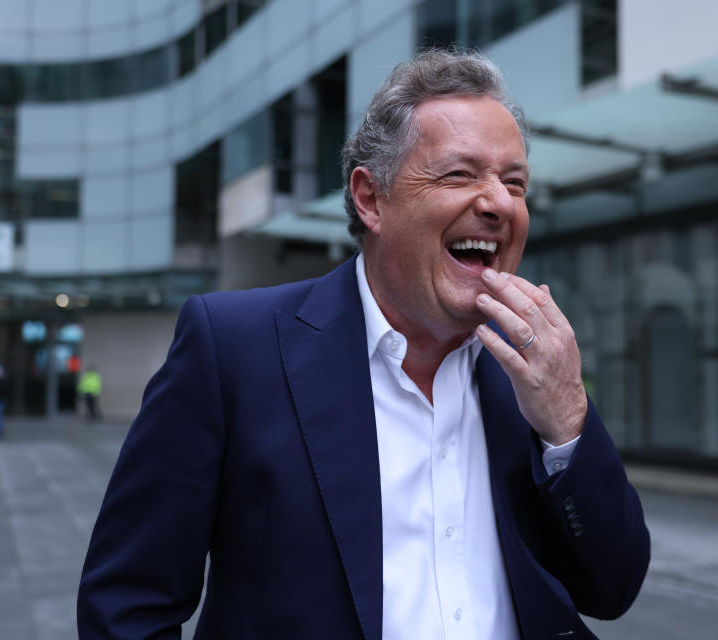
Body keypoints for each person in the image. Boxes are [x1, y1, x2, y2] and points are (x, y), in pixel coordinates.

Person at [78, 50, 649, 639]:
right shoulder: (232, 348)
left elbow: (612, 588)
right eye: (459, 174)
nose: (499, 203)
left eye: (515, 183)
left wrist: (567, 424)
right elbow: (127, 604)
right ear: (370, 199)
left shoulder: (530, 369)